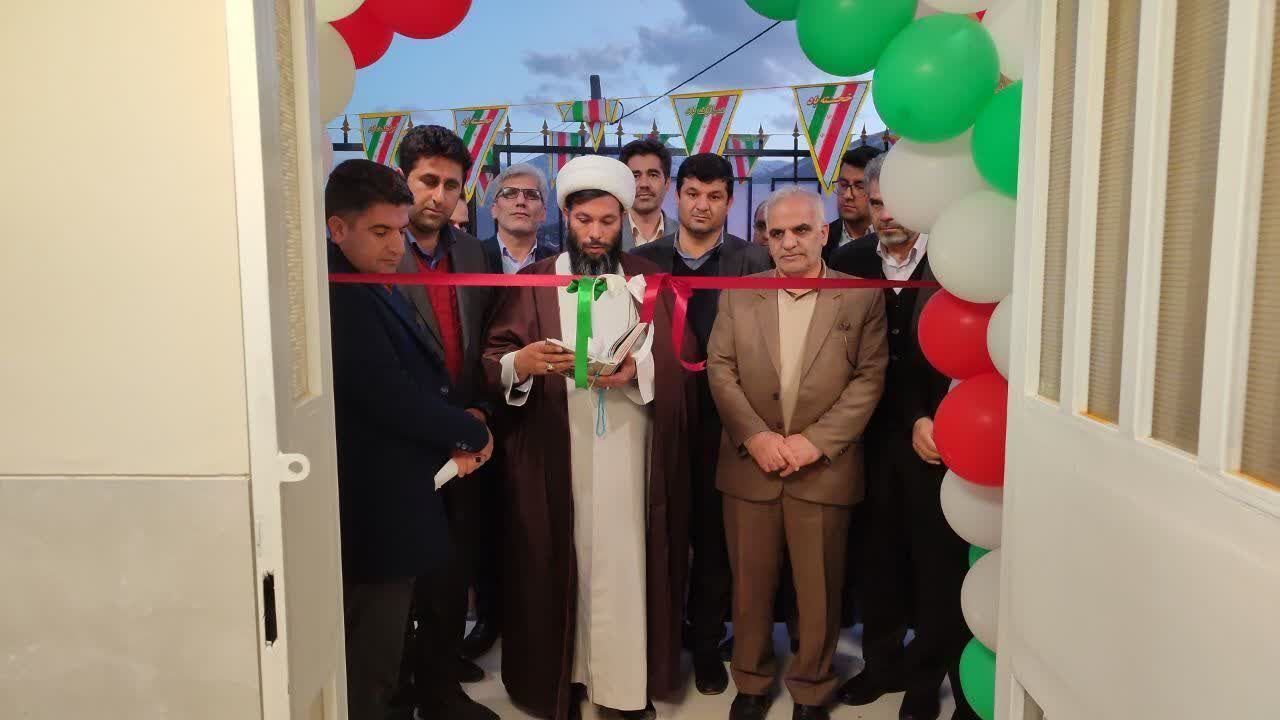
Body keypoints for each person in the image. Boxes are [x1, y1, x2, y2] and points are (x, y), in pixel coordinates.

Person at [482, 155, 694, 720]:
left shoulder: (648, 279)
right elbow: (495, 356)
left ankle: (621, 686)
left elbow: (682, 360)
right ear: (566, 218)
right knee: (559, 557)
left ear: (623, 219)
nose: (595, 234)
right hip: (557, 447)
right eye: (584, 221)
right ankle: (565, 678)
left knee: (624, 562)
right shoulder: (534, 280)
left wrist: (639, 371)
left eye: (607, 221)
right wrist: (521, 363)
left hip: (629, 447)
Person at [709, 186, 888, 720]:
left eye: (801, 230)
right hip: (751, 465)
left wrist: (815, 443)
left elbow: (869, 378)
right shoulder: (739, 293)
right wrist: (755, 437)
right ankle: (751, 681)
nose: (788, 242)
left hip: (823, 468)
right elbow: (720, 369)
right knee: (750, 586)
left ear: (823, 233)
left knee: (819, 590)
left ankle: (811, 687)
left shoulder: (861, 296)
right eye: (777, 233)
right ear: (765, 239)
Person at [325, 159, 493, 720]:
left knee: (399, 625)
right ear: (337, 228)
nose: (396, 245)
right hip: (376, 500)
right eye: (380, 231)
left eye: (399, 230)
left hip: (410, 480)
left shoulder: (370, 280)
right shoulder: (341, 294)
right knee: (372, 652)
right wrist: (469, 431)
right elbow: (388, 393)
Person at [830, 154, 979, 720]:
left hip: (935, 437)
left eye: (897, 202)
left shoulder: (952, 258)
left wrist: (930, 417)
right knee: (878, 559)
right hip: (865, 439)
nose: (886, 213)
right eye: (876, 202)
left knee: (937, 564)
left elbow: (969, 350)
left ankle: (927, 676)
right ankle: (882, 664)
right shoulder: (848, 261)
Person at [631, 152, 770, 696]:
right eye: (692, 193)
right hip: (657, 414)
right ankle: (660, 641)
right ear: (677, 195)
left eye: (714, 197)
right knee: (660, 531)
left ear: (729, 202)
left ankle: (708, 644)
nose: (702, 206)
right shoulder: (643, 261)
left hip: (728, 421)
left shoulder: (753, 259)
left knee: (715, 540)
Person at [393, 124, 501, 720]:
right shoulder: (379, 249)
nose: (438, 196)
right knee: (403, 575)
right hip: (401, 439)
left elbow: (481, 341)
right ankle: (406, 683)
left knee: (454, 565)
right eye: (427, 181)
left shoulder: (471, 252)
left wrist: (480, 412)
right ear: (403, 179)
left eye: (451, 185)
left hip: (465, 433)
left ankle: (438, 679)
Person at [482, 163, 560, 274]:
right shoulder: (473, 256)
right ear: (494, 209)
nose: (520, 201)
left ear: (543, 213)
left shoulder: (559, 264)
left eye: (532, 194)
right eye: (509, 193)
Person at [823, 145, 883, 263]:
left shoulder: (894, 237)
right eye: (843, 185)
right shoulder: (821, 239)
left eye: (860, 187)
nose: (848, 195)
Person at [619, 138, 676, 250]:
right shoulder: (608, 234)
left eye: (653, 175)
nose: (644, 184)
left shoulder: (684, 235)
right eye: (635, 176)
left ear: (667, 183)